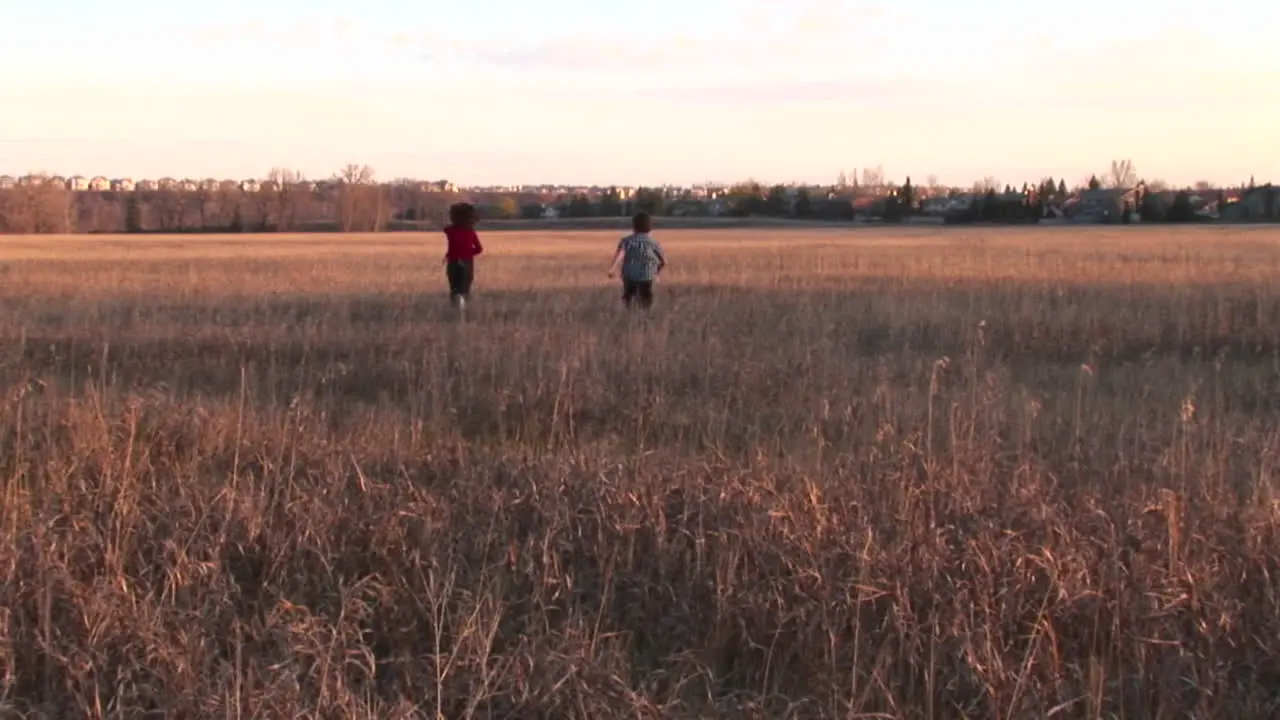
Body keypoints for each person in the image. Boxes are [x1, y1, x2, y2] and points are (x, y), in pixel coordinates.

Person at [608, 211, 666, 310]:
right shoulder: (653, 243)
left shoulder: (626, 241)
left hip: (630, 277)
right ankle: (645, 321)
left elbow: (620, 254)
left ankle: (630, 319)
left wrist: (612, 269)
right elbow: (663, 261)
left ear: (634, 225)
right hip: (647, 277)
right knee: (646, 303)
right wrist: (657, 273)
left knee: (629, 302)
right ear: (649, 226)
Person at [443, 202, 483, 310]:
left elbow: (446, 228)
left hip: (453, 262)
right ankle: (463, 310)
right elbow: (479, 249)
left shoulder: (450, 231)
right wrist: (468, 252)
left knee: (454, 288)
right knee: (464, 289)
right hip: (467, 262)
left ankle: (455, 308)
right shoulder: (470, 232)